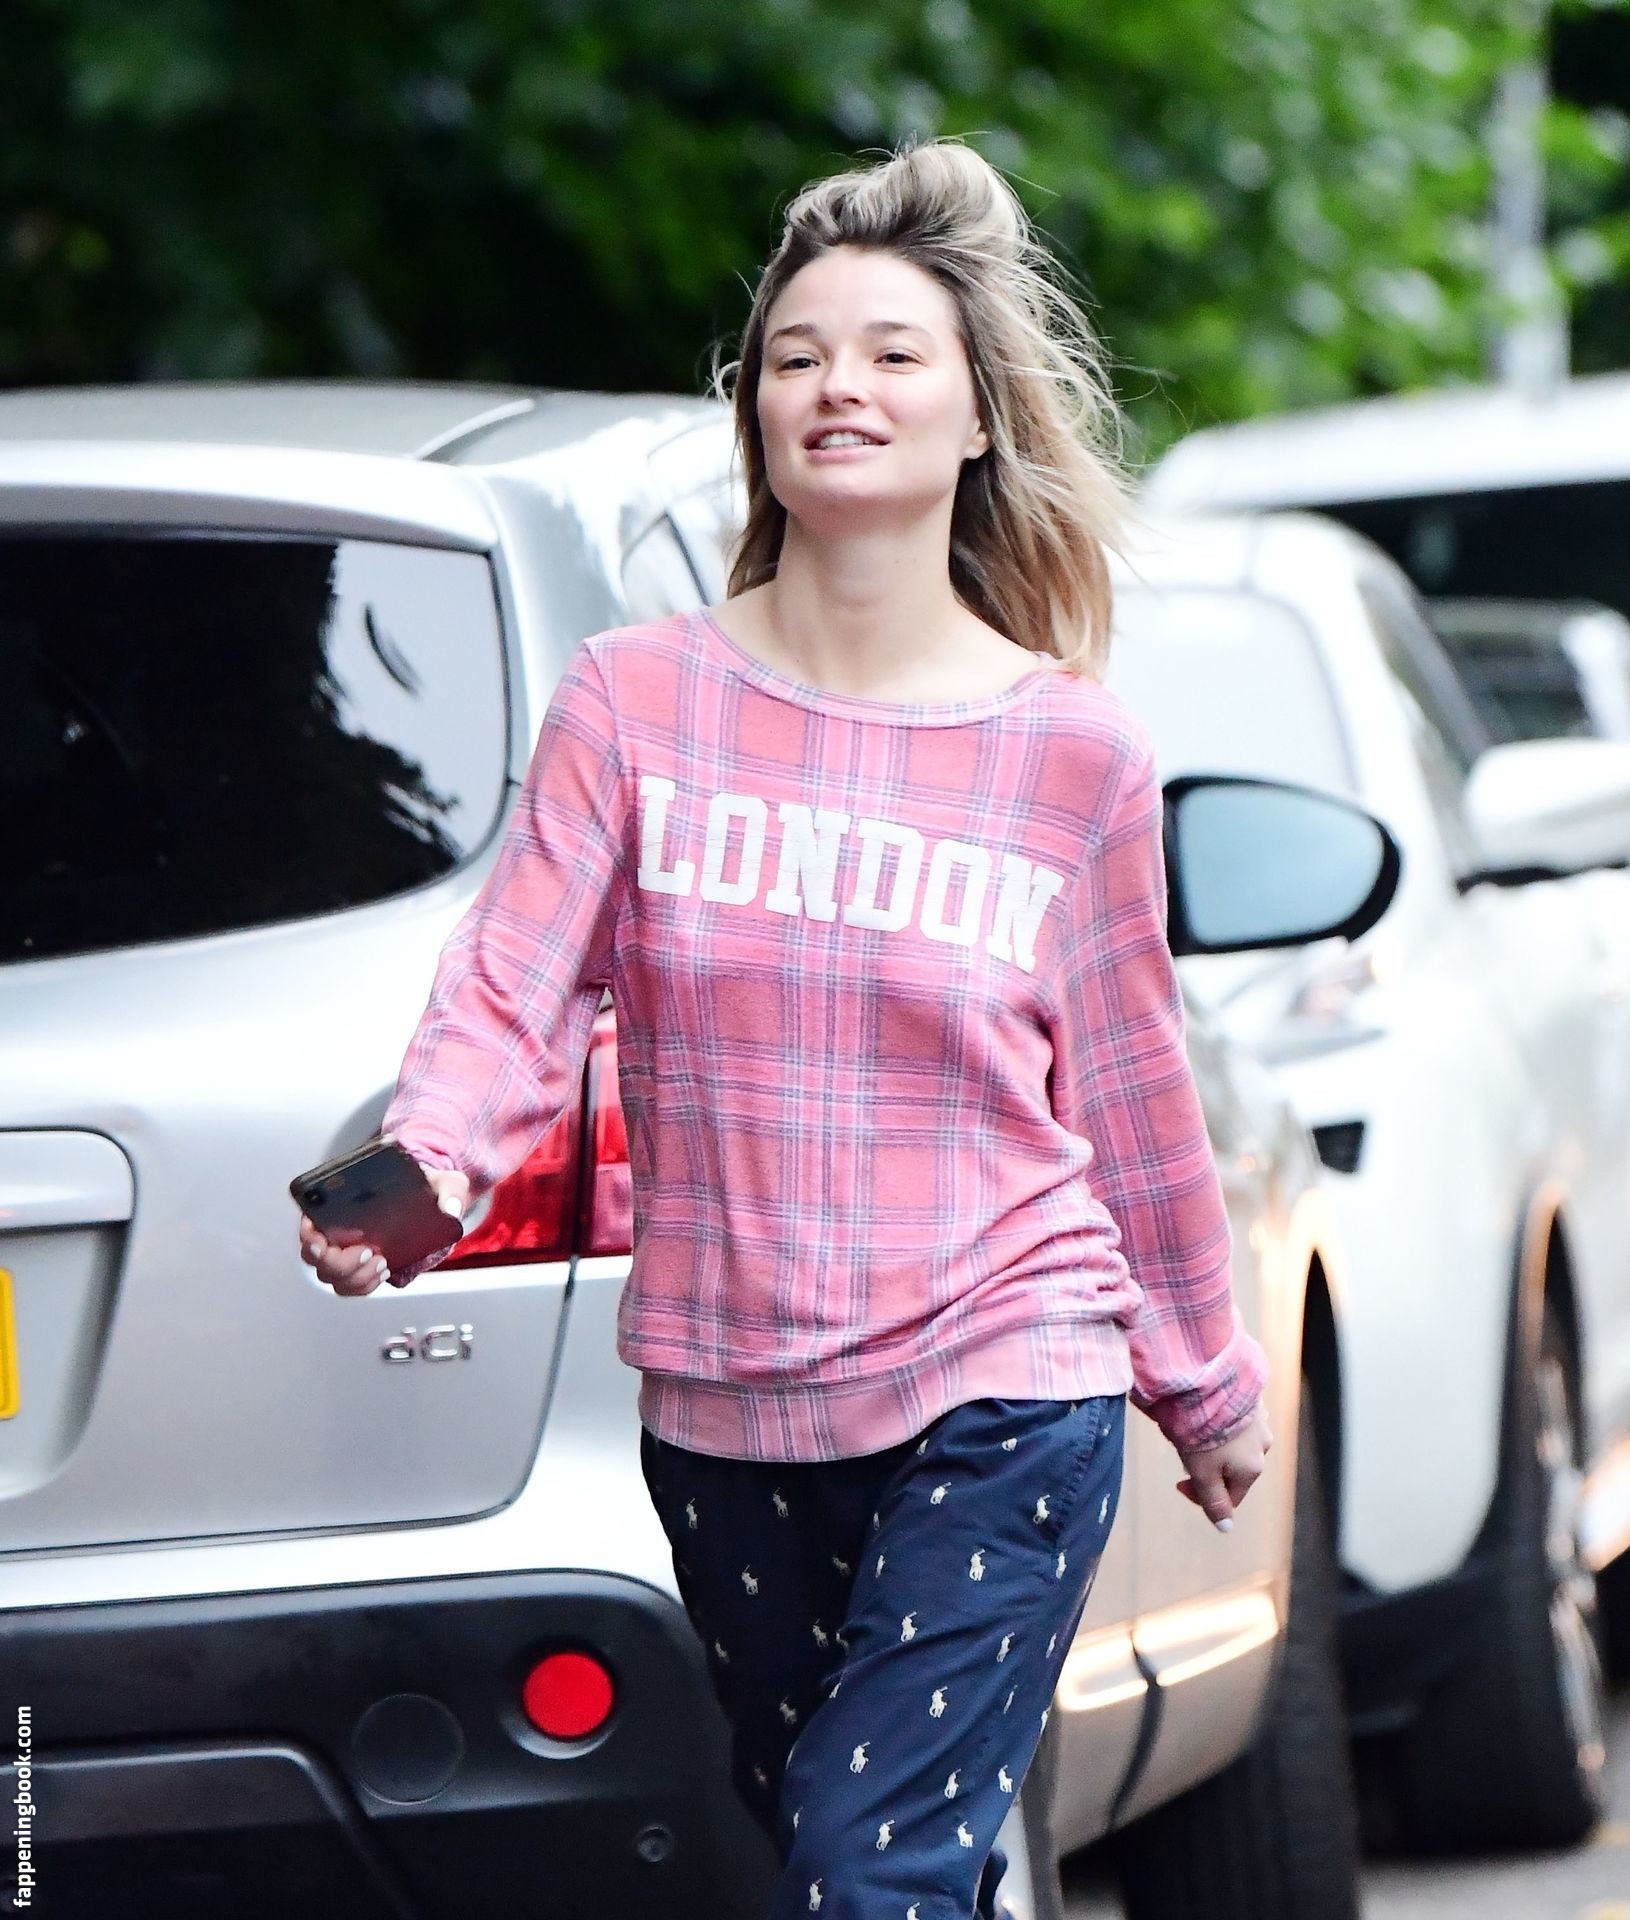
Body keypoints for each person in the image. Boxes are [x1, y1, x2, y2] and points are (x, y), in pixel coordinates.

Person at [298, 135, 1271, 1920]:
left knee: (861, 1864)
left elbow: (1131, 1093)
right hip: (729, 1405)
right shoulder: (636, 704)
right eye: (797, 354)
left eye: (893, 353)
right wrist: (410, 1179)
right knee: (845, 1846)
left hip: (1006, 1373)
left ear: (977, 418)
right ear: (754, 411)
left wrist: (1200, 1379)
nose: (838, 385)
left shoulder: (1069, 755)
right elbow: (513, 989)